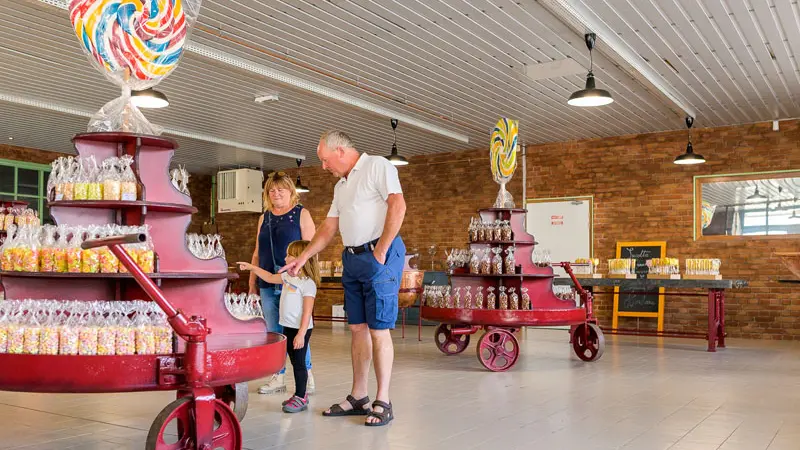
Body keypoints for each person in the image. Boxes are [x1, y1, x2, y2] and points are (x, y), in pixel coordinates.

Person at [281, 130, 406, 427]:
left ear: (340, 151)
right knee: (358, 329)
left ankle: (383, 400)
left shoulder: (377, 166)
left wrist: (381, 251)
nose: (324, 167)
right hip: (352, 258)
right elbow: (328, 227)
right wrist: (304, 256)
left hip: (379, 255)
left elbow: (398, 205)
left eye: (325, 160)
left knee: (378, 330)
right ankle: (359, 397)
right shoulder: (341, 186)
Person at [249, 172, 316, 395]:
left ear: (291, 192)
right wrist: (252, 283)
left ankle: (306, 374)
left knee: (298, 328)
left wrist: (307, 280)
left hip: (295, 283)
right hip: (268, 281)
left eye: (281, 190)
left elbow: (311, 250)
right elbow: (257, 252)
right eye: (272, 190)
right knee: (273, 332)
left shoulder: (301, 214)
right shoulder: (264, 217)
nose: (276, 193)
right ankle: (278, 376)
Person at [238, 240, 319, 413]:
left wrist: (301, 334)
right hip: (288, 327)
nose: (285, 256)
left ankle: (301, 396)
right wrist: (252, 267)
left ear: (300, 258)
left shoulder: (307, 284)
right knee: (292, 359)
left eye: (289, 254)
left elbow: (307, 312)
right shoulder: (287, 277)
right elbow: (268, 277)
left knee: (299, 363)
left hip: (300, 329)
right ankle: (298, 394)